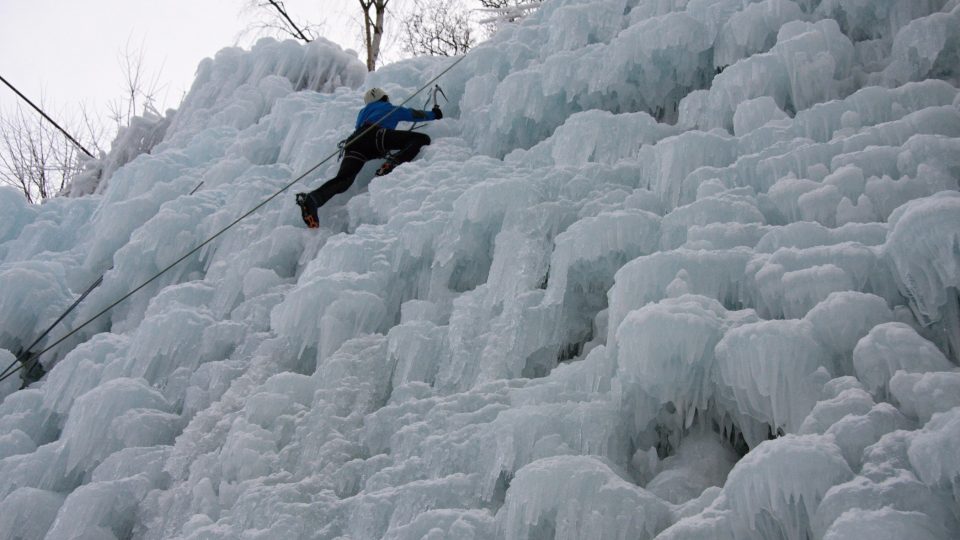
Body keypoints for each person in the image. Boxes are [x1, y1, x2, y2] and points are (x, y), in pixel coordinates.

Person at [295, 87, 443, 228]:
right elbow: (413, 114)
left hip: (354, 144)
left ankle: (312, 199)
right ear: (384, 97)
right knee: (421, 139)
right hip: (376, 137)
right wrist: (434, 114)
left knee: (344, 180)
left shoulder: (363, 112)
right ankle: (393, 163)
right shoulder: (388, 107)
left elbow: (360, 127)